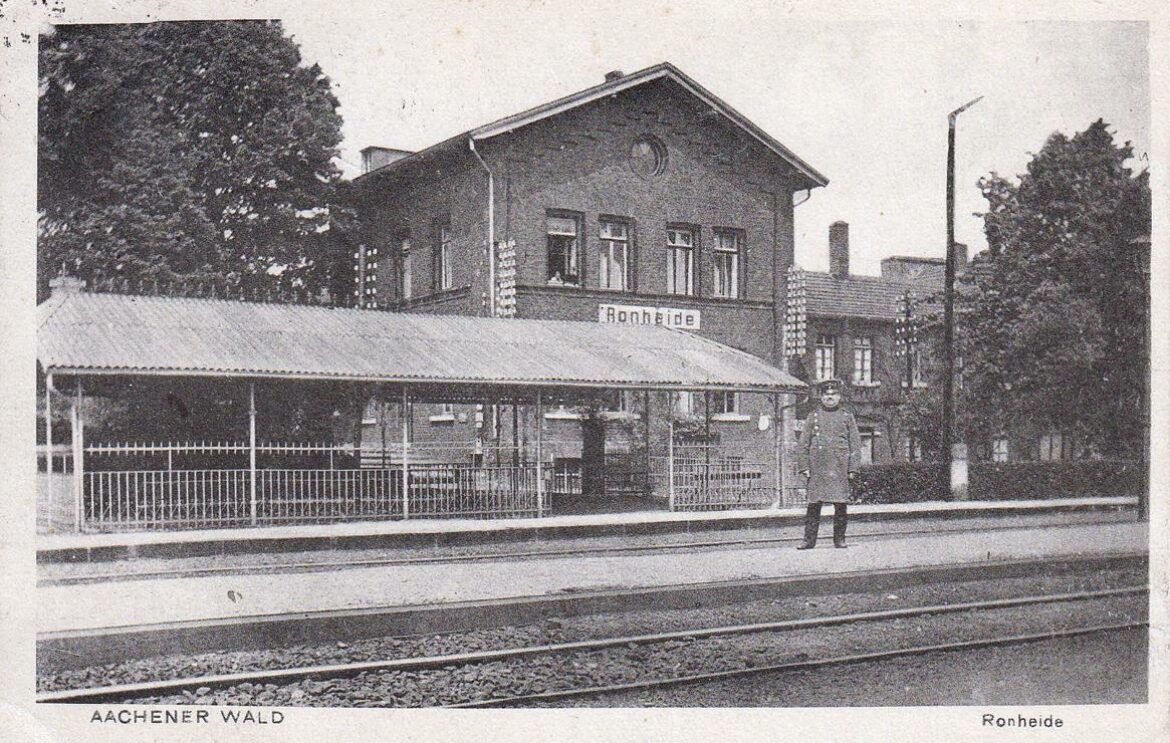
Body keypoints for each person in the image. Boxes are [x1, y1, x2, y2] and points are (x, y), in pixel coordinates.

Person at [796, 379, 862, 549]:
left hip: (839, 468)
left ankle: (839, 539)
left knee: (840, 505)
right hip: (817, 469)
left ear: (839, 397)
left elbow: (855, 445)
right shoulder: (813, 416)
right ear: (821, 397)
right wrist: (804, 467)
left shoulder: (847, 417)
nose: (830, 398)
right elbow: (803, 443)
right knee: (813, 506)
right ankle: (808, 540)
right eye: (826, 395)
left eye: (833, 395)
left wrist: (852, 469)